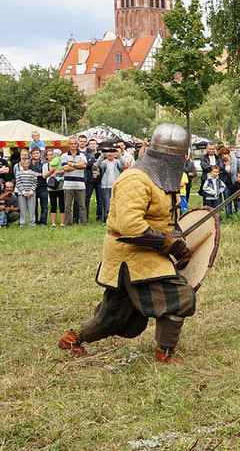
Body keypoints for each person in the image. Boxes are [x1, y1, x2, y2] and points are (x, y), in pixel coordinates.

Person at [58, 124, 196, 364]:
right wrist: (168, 244)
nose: (184, 160)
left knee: (114, 314)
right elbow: (130, 226)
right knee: (180, 296)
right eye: (181, 156)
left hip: (146, 253)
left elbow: (166, 219)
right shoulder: (134, 179)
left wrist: (178, 241)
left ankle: (72, 339)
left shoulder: (163, 179)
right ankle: (164, 354)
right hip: (131, 254)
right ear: (169, 156)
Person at [97, 143, 128, 223]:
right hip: (105, 187)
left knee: (117, 205)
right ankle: (107, 221)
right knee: (107, 205)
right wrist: (102, 155)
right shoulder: (104, 162)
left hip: (116, 187)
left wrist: (119, 155)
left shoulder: (117, 162)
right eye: (108, 152)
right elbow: (98, 165)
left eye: (112, 152)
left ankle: (117, 221)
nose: (110, 154)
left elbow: (124, 165)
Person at [61, 136, 88, 226]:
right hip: (68, 185)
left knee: (82, 206)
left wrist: (72, 164)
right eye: (71, 143)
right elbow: (65, 168)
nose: (73, 145)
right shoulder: (64, 156)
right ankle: (68, 223)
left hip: (80, 184)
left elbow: (84, 166)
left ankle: (83, 223)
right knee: (67, 206)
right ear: (68, 144)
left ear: (77, 144)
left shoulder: (82, 155)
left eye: (74, 143)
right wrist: (78, 165)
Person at [43, 149, 65, 227]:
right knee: (53, 204)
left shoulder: (60, 163)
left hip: (61, 185)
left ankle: (62, 222)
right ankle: (53, 223)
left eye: (53, 154)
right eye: (49, 154)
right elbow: (44, 176)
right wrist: (51, 171)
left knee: (62, 203)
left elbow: (64, 170)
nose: (51, 156)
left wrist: (57, 172)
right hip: (51, 186)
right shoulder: (46, 165)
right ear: (46, 156)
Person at [84, 138, 103, 223]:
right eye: (91, 144)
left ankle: (99, 217)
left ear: (97, 145)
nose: (92, 145)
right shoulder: (86, 155)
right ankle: (86, 216)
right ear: (88, 145)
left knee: (100, 200)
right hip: (90, 180)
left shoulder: (101, 155)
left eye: (94, 143)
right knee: (87, 199)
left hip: (99, 180)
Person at [14, 158, 38, 226]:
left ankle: (32, 222)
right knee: (22, 209)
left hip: (32, 193)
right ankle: (22, 223)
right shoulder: (19, 173)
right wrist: (24, 192)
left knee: (32, 209)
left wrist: (31, 192)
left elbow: (35, 183)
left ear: (29, 164)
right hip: (22, 194)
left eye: (26, 164)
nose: (25, 165)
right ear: (21, 165)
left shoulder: (33, 173)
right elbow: (18, 183)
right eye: (23, 164)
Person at [29, 147, 48, 225]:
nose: (36, 155)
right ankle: (35, 220)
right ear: (31, 154)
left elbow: (46, 173)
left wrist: (39, 174)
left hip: (43, 185)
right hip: (33, 186)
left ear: (40, 154)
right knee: (34, 206)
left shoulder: (44, 163)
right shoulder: (29, 163)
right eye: (34, 153)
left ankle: (43, 221)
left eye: (37, 153)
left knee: (44, 206)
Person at [218, 146, 238, 218]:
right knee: (227, 200)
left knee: (237, 200)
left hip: (235, 183)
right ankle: (229, 215)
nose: (223, 157)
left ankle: (237, 214)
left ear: (228, 153)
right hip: (226, 184)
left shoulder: (235, 161)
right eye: (222, 156)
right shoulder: (221, 163)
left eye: (224, 155)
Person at [199, 142, 220, 206]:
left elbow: (221, 167)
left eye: (213, 149)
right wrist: (214, 167)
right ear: (207, 149)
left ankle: (216, 215)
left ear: (215, 149)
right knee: (207, 202)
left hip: (217, 181)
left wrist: (208, 166)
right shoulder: (203, 157)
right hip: (207, 180)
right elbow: (203, 167)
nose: (211, 151)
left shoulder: (218, 157)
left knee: (217, 201)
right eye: (209, 149)